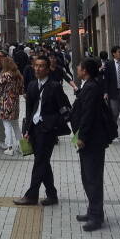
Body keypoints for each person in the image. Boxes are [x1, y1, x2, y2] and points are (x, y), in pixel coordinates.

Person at [13, 56, 71, 207]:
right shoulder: (32, 85)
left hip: (48, 130)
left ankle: (31, 196)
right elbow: (29, 109)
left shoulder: (54, 86)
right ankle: (52, 195)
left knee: (40, 162)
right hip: (35, 129)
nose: (38, 69)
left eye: (41, 66)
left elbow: (65, 108)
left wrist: (55, 123)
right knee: (43, 162)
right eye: (36, 66)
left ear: (47, 69)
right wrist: (26, 130)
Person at [71, 57, 114, 232]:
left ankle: (96, 216)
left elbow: (88, 115)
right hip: (90, 139)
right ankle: (92, 211)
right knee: (87, 176)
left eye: (79, 67)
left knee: (93, 178)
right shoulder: (89, 85)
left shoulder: (91, 87)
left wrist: (82, 137)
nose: (77, 69)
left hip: (92, 140)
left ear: (85, 71)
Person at [0, 56, 24, 155]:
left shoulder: (4, 75)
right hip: (15, 103)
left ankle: (10, 147)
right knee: (16, 126)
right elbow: (21, 91)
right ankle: (21, 147)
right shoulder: (18, 75)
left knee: (7, 125)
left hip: (6, 103)